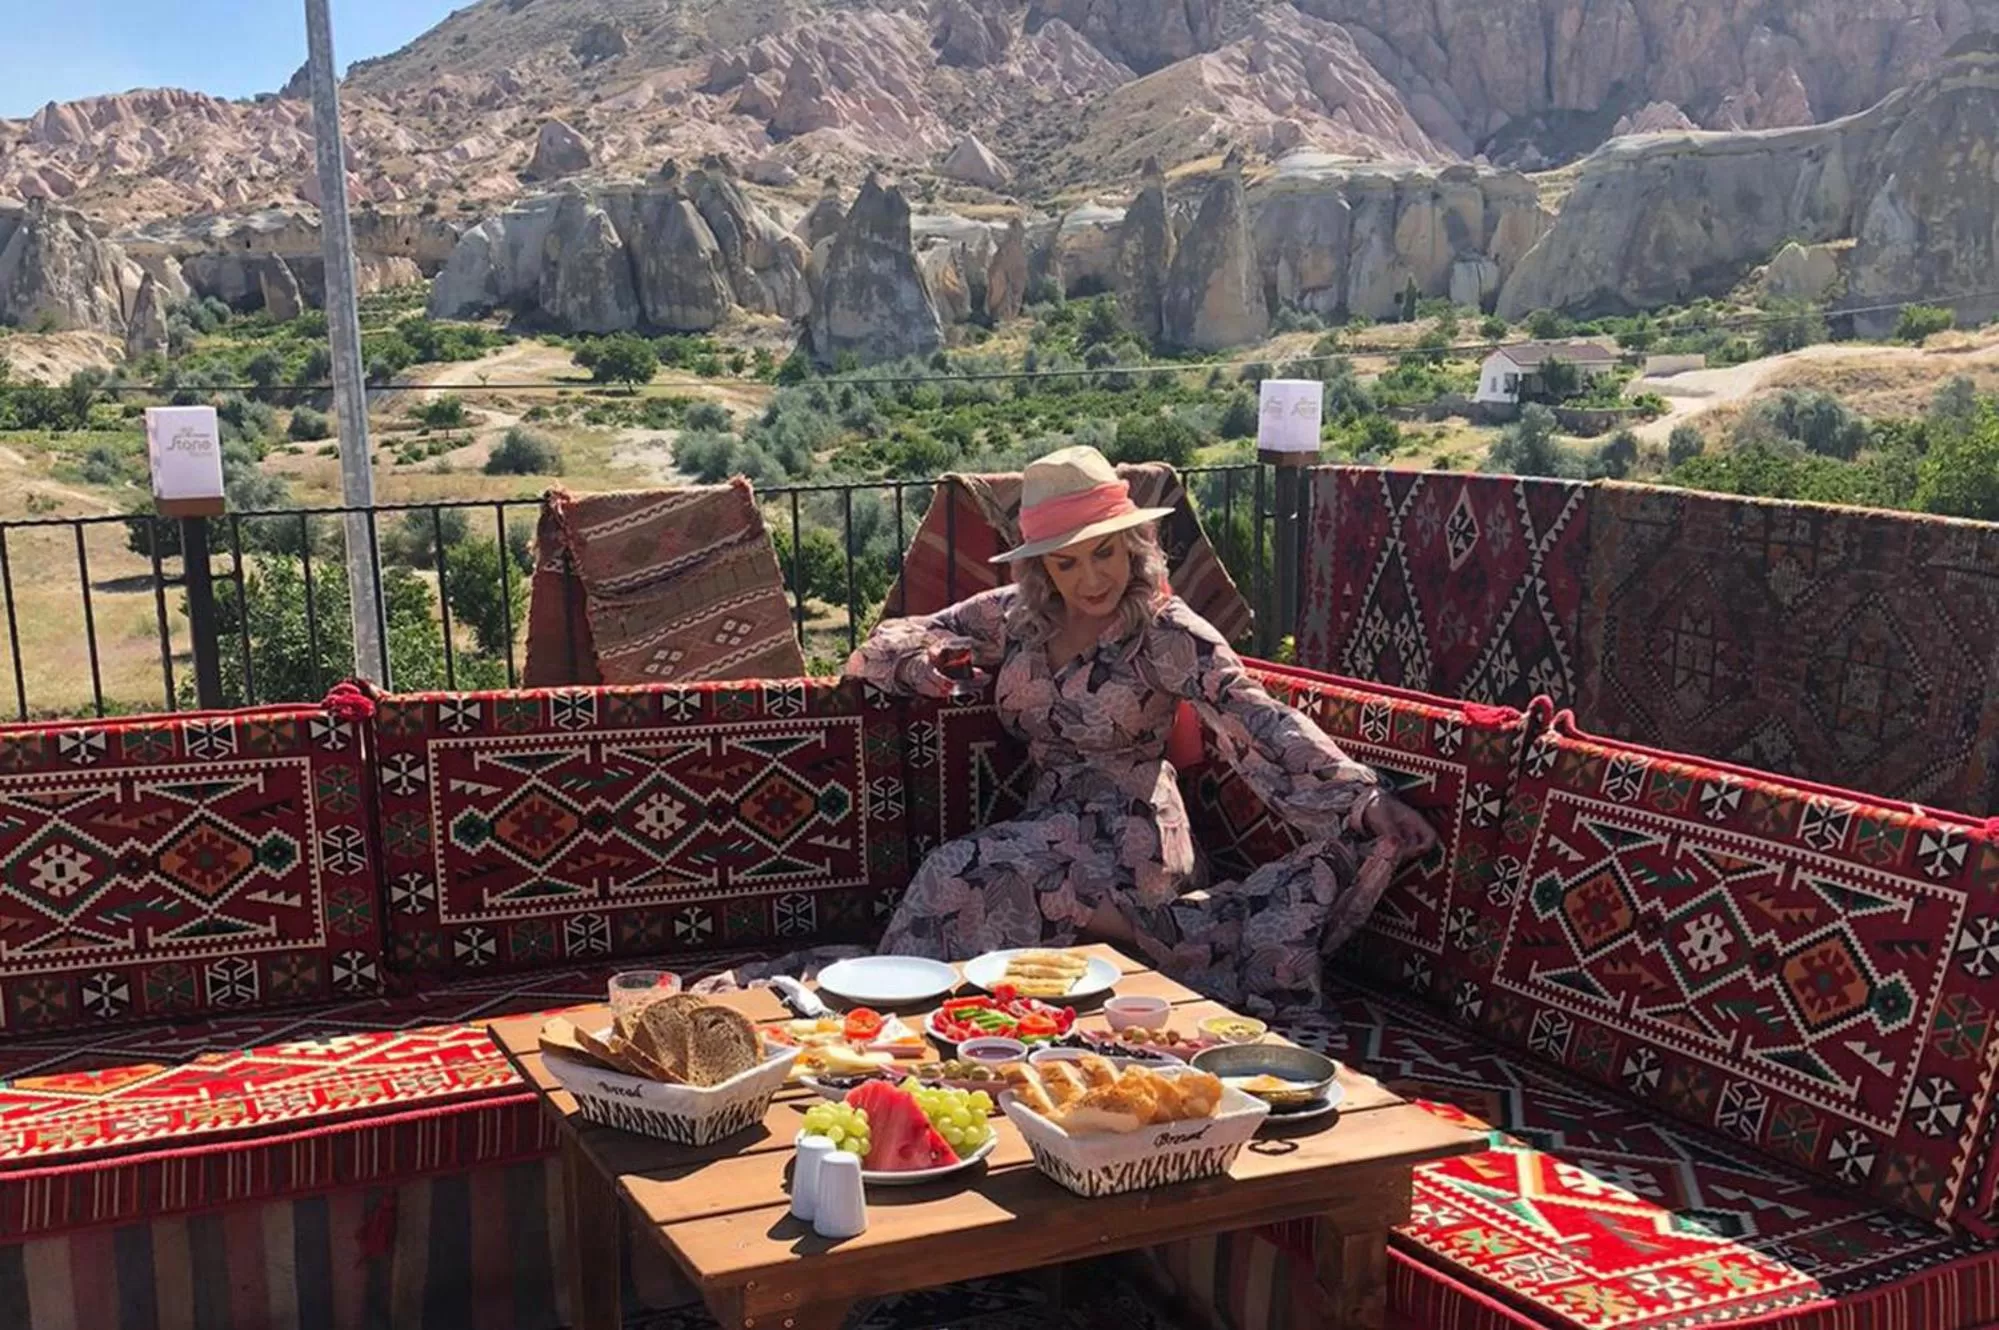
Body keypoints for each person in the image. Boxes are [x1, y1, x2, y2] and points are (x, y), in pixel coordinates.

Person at [715, 446, 1437, 1013]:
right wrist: (924, 663)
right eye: (1067, 561)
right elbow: (881, 645)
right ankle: (958, 1019)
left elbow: (1255, 714)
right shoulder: (1016, 617)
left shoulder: (1166, 631)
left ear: (1133, 544)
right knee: (986, 876)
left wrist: (1361, 799)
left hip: (1134, 834)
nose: (1091, 578)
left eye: (1104, 552)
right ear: (1041, 568)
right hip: (1050, 821)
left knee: (960, 869)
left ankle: (884, 1005)